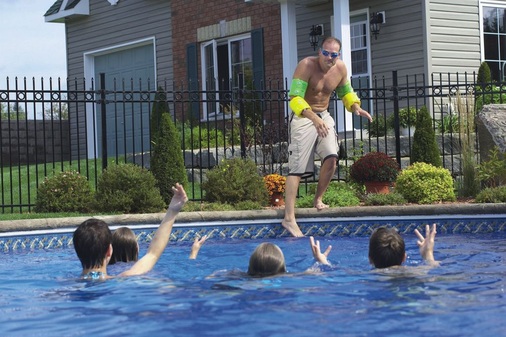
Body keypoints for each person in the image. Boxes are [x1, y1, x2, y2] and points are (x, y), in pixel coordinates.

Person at [282, 36, 373, 238]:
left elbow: (345, 92)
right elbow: (294, 98)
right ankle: (289, 218)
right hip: (303, 115)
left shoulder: (340, 69)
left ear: (337, 55)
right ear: (319, 52)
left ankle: (318, 199)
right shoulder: (306, 66)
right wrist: (314, 119)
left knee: (332, 158)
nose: (329, 57)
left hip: (324, 115)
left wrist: (356, 107)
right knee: (296, 168)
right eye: (326, 53)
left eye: (334, 54)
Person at [73, 183, 188, 280]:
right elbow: (152, 254)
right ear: (109, 250)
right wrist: (172, 211)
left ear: (77, 252)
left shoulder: (67, 287)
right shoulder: (124, 278)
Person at [368, 223, 440, 269]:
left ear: (370, 259)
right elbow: (433, 267)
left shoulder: (365, 279)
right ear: (404, 257)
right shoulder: (416, 273)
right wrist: (428, 254)